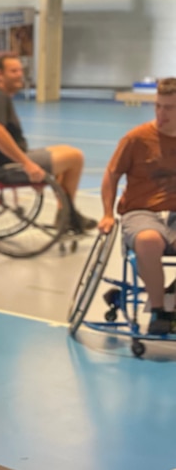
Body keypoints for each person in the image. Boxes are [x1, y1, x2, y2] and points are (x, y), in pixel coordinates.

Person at [0, 54, 96, 233]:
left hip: (0, 162)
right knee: (75, 157)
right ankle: (67, 215)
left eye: (20, 70)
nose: (19, 75)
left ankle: (67, 213)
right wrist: (27, 164)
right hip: (7, 167)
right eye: (13, 71)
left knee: (64, 150)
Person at [98, 77, 176, 335]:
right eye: (158, 106)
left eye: (169, 108)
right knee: (149, 241)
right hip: (142, 211)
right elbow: (111, 174)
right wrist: (108, 213)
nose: (161, 113)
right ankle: (159, 311)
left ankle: (169, 294)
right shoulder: (137, 138)